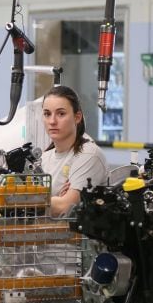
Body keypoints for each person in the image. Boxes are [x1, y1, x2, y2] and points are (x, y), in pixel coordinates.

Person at [40, 85, 108, 217]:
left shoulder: (88, 154)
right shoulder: (43, 159)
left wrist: (54, 201)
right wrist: (55, 200)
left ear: (77, 117)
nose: (52, 121)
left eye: (61, 114)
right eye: (47, 114)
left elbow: (65, 207)